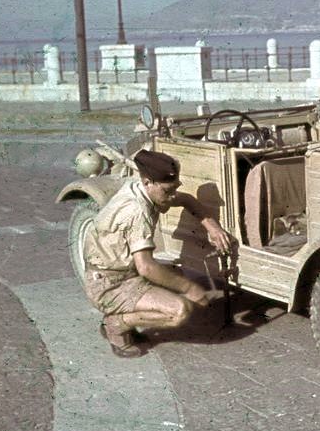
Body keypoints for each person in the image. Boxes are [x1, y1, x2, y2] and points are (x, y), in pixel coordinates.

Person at [83, 149, 232, 357]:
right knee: (180, 310)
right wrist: (190, 288)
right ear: (147, 182)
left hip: (122, 272)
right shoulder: (136, 211)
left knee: (174, 277)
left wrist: (212, 227)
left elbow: (187, 199)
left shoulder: (145, 189)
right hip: (109, 283)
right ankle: (116, 325)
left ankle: (126, 316)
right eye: (167, 191)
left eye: (174, 189)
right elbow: (146, 267)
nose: (172, 197)